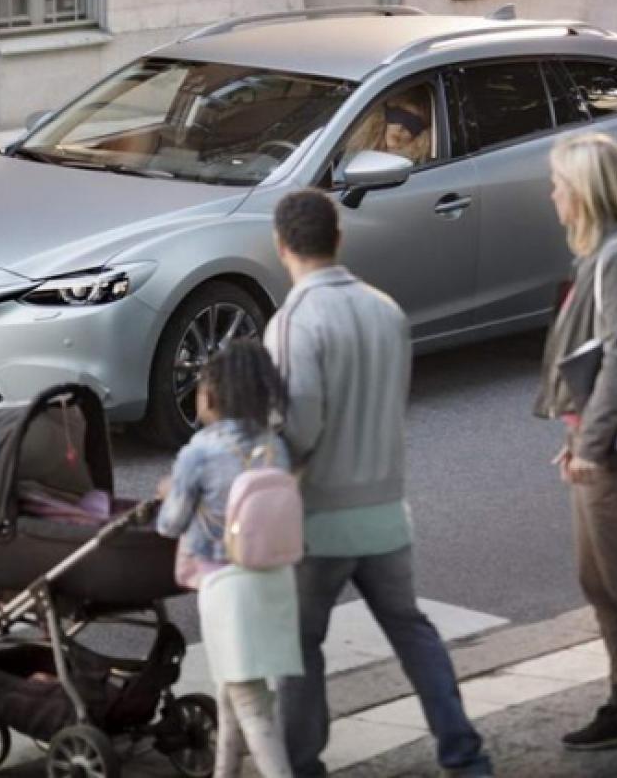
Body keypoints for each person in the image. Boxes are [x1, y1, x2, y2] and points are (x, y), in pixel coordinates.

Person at [265, 189, 492, 778]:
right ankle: (463, 753)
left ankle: (302, 763)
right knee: (412, 630)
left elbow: (301, 423)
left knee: (299, 644)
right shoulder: (386, 310)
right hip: (387, 510)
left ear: (281, 243)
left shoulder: (293, 322)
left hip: (321, 517)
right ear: (337, 238)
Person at [534, 131, 617, 750]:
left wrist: (593, 445)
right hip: (599, 446)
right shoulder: (600, 254)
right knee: (602, 584)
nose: (552, 195)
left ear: (581, 193)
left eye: (558, 185)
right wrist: (576, 435)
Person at [155, 339, 301, 778]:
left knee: (252, 705)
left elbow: (170, 524)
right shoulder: (274, 446)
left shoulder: (200, 451)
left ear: (212, 394)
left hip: (225, 586)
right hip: (274, 579)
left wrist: (167, 494)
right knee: (234, 688)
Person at [344, 84, 433, 165]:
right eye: (398, 115)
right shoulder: (354, 155)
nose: (401, 128)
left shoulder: (419, 169)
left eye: (412, 123)